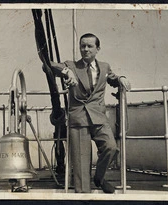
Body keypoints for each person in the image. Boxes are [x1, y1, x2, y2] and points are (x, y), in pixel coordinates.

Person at [50, 33, 131, 193]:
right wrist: (67, 71)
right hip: (79, 119)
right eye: (83, 46)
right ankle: (83, 195)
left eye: (89, 46)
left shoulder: (105, 66)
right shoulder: (71, 65)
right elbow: (49, 65)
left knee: (111, 147)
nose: (85, 49)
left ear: (97, 48)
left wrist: (121, 78)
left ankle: (99, 178)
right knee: (81, 163)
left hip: (99, 118)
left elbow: (112, 78)